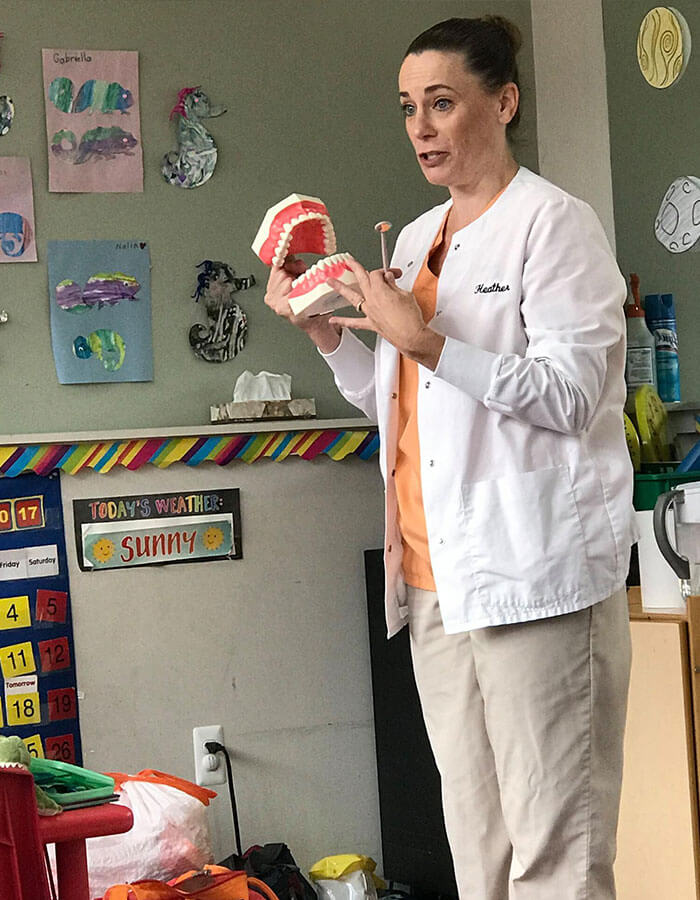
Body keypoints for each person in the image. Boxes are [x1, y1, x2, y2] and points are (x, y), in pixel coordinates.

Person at [264, 15, 636, 900]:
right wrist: (330, 337)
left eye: (441, 103)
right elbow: (397, 404)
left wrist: (426, 342)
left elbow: (572, 395)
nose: (421, 127)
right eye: (407, 108)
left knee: (558, 854)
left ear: (502, 102)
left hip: (535, 580)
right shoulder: (417, 238)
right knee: (480, 855)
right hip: (436, 586)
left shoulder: (555, 226)